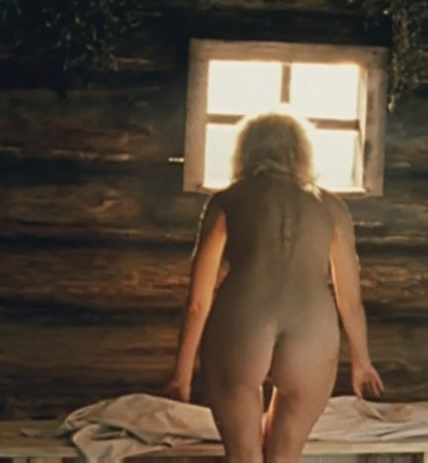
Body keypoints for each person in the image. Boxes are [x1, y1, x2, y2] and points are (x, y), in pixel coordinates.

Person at [162, 109, 384, 463]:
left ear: (245, 151)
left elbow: (198, 302)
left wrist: (181, 373)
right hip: (312, 328)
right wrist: (362, 361)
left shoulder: (228, 200)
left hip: (243, 321)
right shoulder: (332, 207)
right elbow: (350, 301)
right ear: (301, 152)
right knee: (284, 458)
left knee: (244, 457)